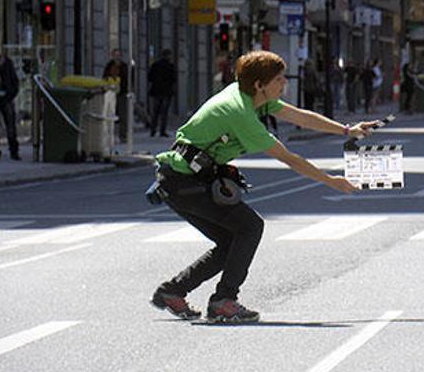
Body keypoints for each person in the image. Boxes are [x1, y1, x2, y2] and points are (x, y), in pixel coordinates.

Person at [149, 50, 379, 323]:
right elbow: (289, 158)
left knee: (230, 241)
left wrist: (346, 130)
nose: (285, 84)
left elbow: (300, 117)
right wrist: (332, 181)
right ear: (260, 84)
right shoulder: (240, 112)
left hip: (186, 180)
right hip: (183, 183)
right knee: (250, 227)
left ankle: (173, 292)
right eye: (279, 79)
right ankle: (224, 300)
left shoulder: (250, 96)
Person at [147, 49, 176, 137]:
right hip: (166, 92)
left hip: (156, 91)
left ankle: (153, 130)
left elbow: (150, 77)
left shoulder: (155, 65)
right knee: (164, 113)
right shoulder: (170, 66)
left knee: (155, 112)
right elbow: (174, 79)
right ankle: (162, 131)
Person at [103, 49, 129, 142]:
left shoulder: (124, 66)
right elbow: (105, 77)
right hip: (110, 92)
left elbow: (128, 78)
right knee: (110, 113)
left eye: (118, 55)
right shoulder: (109, 65)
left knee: (123, 115)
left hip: (122, 92)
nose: (117, 57)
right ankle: (109, 136)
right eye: (115, 55)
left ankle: (123, 136)